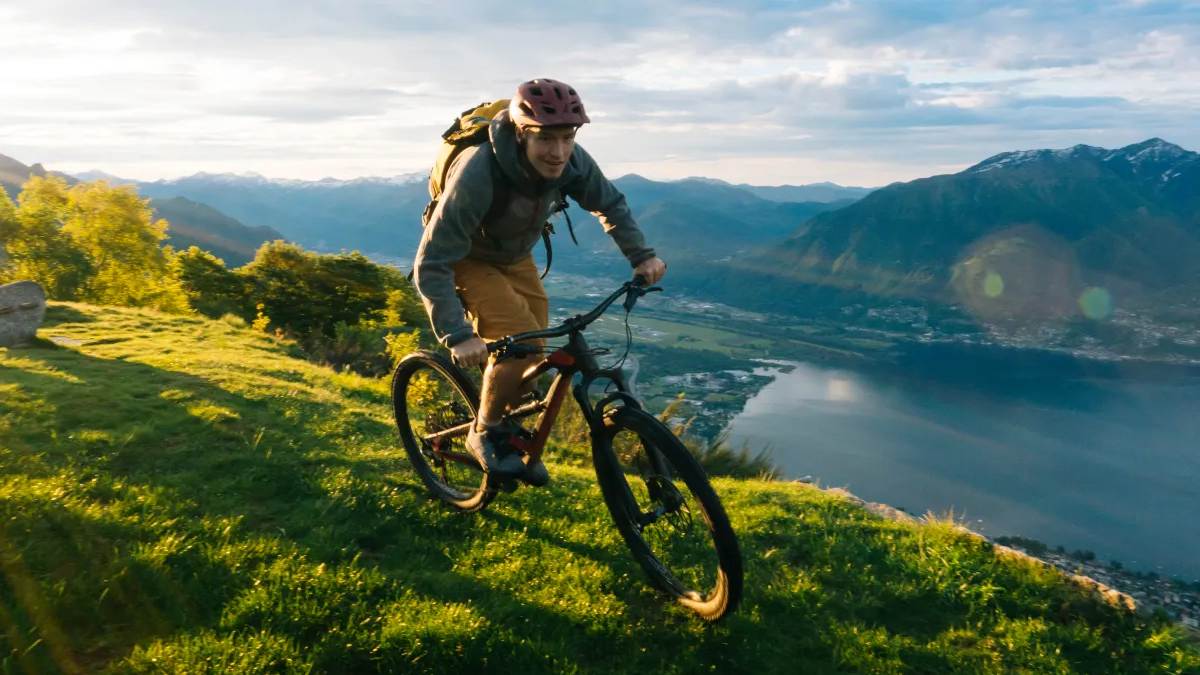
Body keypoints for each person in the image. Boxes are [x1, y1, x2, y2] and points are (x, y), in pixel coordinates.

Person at [412, 78, 666, 485]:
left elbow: (610, 204)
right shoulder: (478, 170)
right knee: (518, 344)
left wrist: (642, 256)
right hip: (467, 257)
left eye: (567, 137)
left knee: (536, 352)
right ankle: (485, 432)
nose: (559, 151)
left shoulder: (573, 161)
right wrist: (457, 335)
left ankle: (506, 424)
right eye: (546, 138)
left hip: (516, 254)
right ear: (521, 133)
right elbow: (432, 260)